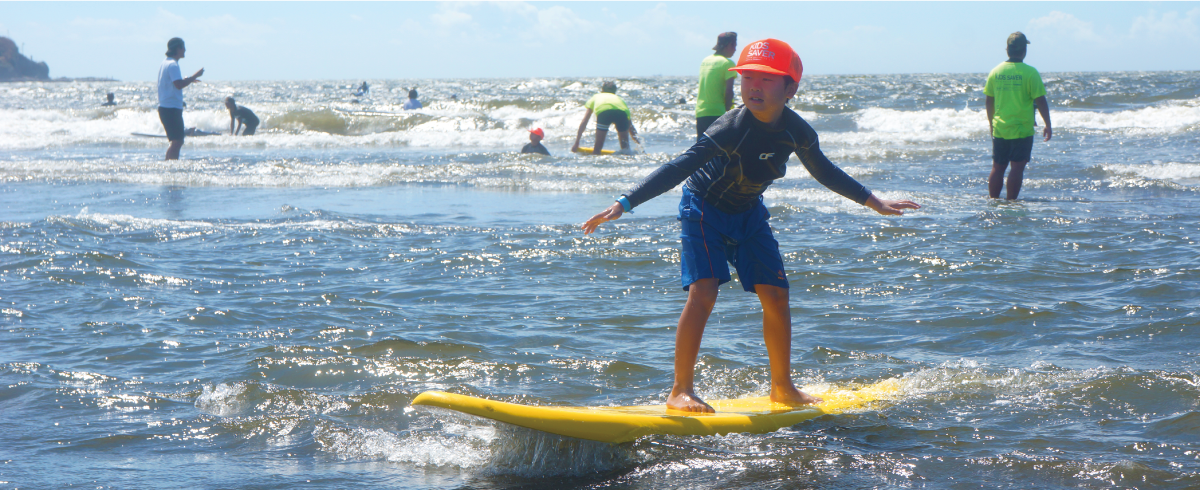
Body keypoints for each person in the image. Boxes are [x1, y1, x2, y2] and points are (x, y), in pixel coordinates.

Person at [581, 39, 920, 413]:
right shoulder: (730, 127)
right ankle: (680, 390)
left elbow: (824, 171)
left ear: (791, 88)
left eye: (767, 79)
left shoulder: (798, 132)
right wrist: (625, 203)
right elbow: (681, 165)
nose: (754, 86)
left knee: (776, 295)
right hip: (704, 208)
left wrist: (874, 201)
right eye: (747, 78)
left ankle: (783, 387)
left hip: (749, 212)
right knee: (704, 292)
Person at [984, 31, 1051, 200]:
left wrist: (991, 124)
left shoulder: (996, 71)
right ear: (1024, 51)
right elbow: (1041, 101)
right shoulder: (1030, 72)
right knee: (1017, 168)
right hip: (1022, 128)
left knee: (998, 167)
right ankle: (1011, 203)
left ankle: (993, 201)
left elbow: (989, 101)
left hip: (1000, 127)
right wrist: (1048, 124)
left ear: (1007, 49)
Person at [157, 37, 203, 160]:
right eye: (183, 47)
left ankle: (168, 165)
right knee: (177, 141)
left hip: (167, 108)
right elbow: (178, 85)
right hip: (170, 109)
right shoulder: (172, 64)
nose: (185, 50)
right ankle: (171, 166)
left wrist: (189, 79)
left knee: (176, 141)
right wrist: (194, 76)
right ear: (177, 48)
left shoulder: (166, 62)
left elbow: (174, 83)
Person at [571, 81, 640, 154]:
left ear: (602, 90)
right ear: (614, 92)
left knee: (597, 149)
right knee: (626, 149)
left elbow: (585, 121)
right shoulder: (620, 99)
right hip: (622, 114)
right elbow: (631, 127)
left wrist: (576, 143)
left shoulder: (596, 96)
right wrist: (640, 147)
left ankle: (596, 159)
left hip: (605, 113)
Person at [696, 32, 738, 138]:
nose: (735, 50)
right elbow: (729, 92)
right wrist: (729, 113)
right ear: (729, 45)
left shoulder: (705, 61)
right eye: (734, 46)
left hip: (701, 112)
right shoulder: (728, 63)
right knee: (721, 151)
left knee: (702, 151)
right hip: (718, 113)